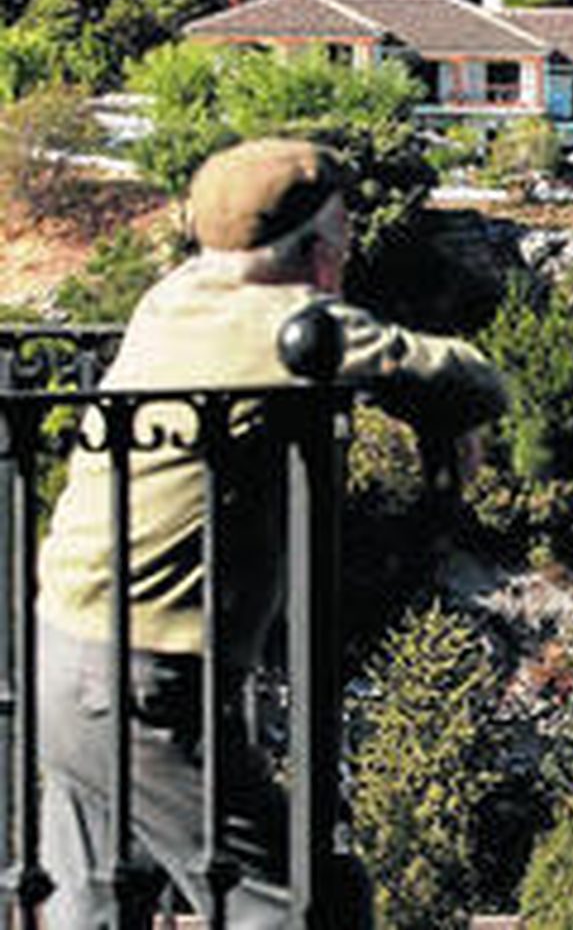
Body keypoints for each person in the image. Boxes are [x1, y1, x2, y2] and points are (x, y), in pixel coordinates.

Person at [37, 139, 509, 928]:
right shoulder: (284, 323)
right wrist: (453, 416)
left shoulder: (174, 296)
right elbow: (460, 374)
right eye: (344, 237)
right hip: (146, 678)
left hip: (64, 651)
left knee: (94, 902)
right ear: (319, 251)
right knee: (292, 904)